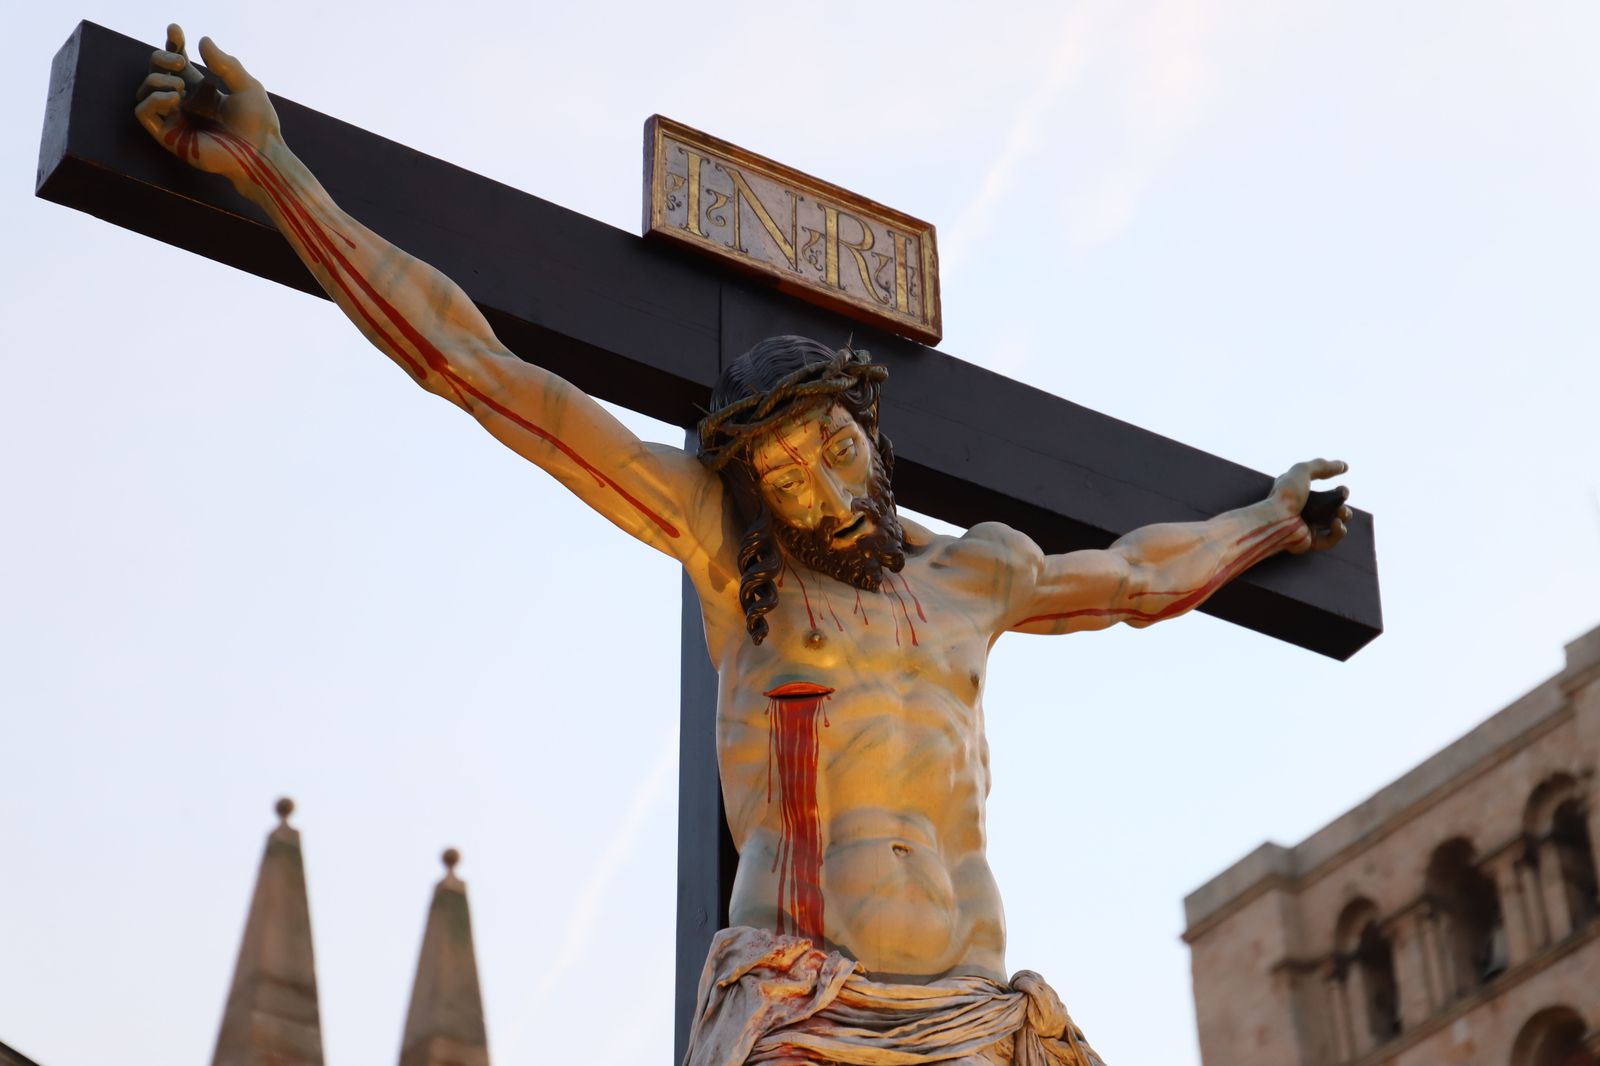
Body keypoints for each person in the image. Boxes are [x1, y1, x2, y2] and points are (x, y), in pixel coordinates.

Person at [134, 28, 1352, 1065]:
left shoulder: (979, 572)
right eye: (779, 477)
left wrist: (1269, 521)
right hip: (811, 1006)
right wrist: (269, 164)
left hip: (980, 1015)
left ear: (870, 432)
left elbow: (1140, 576)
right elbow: (480, 368)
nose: (817, 491)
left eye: (830, 450)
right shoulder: (737, 565)